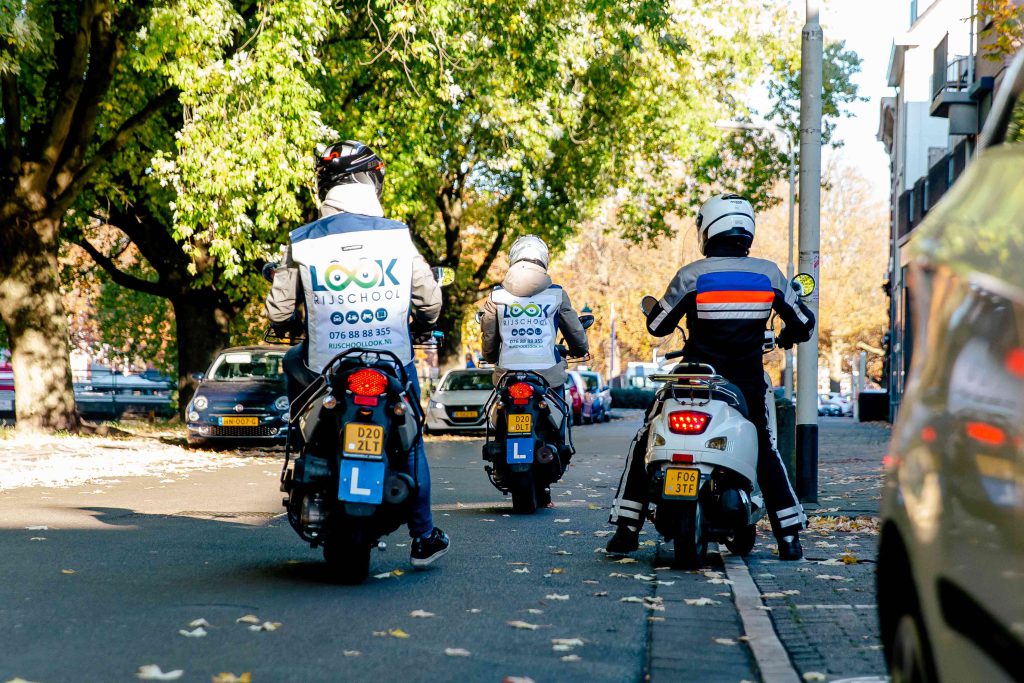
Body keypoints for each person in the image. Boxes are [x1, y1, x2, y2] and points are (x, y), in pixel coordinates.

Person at [265, 140, 450, 568]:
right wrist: (419, 323)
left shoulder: (302, 241)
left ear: (325, 186)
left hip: (322, 366)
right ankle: (422, 535)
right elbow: (431, 303)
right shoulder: (398, 237)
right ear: (372, 181)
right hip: (391, 363)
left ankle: (302, 445)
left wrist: (289, 324)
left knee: (291, 362)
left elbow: (278, 312)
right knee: (410, 441)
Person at [606, 193, 815, 560]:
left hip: (694, 379)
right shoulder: (768, 275)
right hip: (745, 381)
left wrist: (657, 309)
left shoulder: (691, 276)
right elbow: (803, 324)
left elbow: (657, 326)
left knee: (645, 439)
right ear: (746, 230)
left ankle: (626, 529)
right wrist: (784, 337)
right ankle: (789, 536)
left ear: (708, 230)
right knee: (765, 447)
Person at [479, 235, 590, 505]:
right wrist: (578, 349)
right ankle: (559, 447)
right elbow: (574, 330)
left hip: (508, 375)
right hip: (546, 375)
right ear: (543, 260)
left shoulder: (496, 295)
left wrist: (490, 356)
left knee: (498, 413)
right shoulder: (556, 293)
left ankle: (501, 446)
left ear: (513, 259)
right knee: (560, 413)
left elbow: (489, 336)